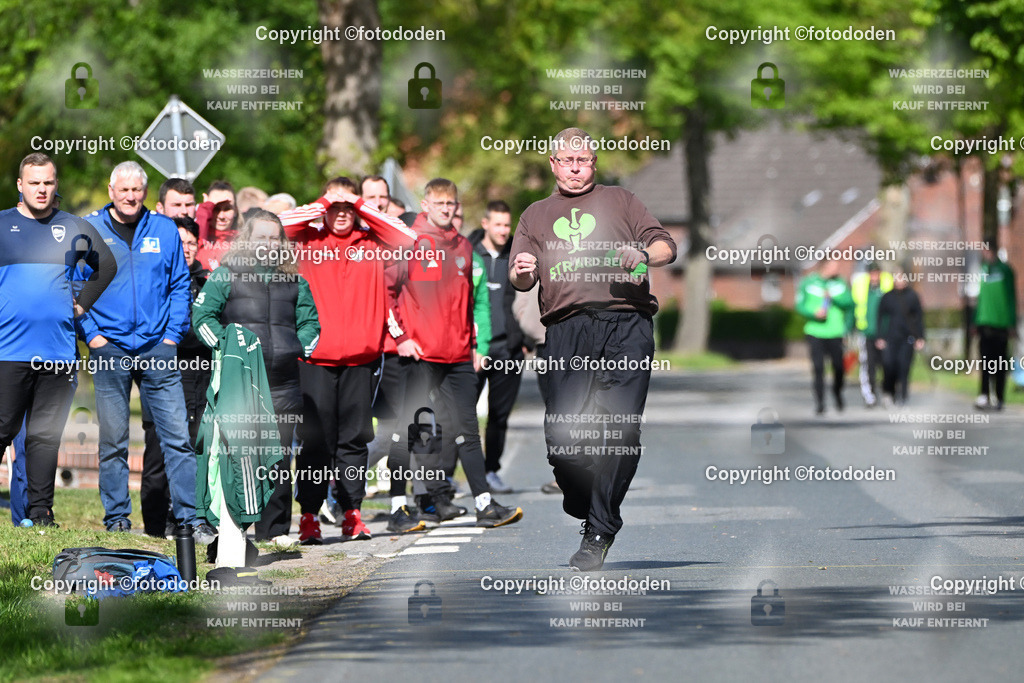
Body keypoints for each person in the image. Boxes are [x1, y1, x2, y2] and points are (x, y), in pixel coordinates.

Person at [508, 127, 676, 570]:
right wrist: (524, 270)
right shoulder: (535, 214)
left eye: (583, 160)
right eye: (567, 160)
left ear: (594, 162)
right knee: (562, 437)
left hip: (626, 325)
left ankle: (599, 529)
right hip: (566, 330)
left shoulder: (622, 201)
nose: (575, 168)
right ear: (553, 164)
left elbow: (665, 246)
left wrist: (641, 252)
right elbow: (520, 276)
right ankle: (582, 496)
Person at [77, 161, 214, 542]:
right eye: (123, 190)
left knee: (177, 439)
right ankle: (117, 519)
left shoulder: (165, 229)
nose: (130, 196)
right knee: (113, 440)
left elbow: (177, 285)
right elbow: (71, 287)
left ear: (144, 191)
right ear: (111, 191)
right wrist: (92, 335)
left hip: (157, 347)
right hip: (110, 348)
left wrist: (171, 336)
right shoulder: (89, 229)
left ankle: (189, 518)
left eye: (137, 190)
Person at [279, 177, 419, 543]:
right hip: (316, 360)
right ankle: (308, 515)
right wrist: (325, 201)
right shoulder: (308, 242)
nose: (341, 215)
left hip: (361, 360)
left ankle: (352, 513)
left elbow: (408, 239)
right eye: (334, 209)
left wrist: (357, 204)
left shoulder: (371, 242)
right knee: (315, 441)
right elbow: (276, 226)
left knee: (354, 441)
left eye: (347, 210)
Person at [386, 178, 522, 529]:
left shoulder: (464, 248)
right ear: (426, 204)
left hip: (458, 355)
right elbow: (384, 291)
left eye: (451, 204)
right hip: (419, 354)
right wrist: (400, 336)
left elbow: (477, 301)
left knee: (467, 430)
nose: (446, 209)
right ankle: (398, 509)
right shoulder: (409, 241)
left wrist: (478, 345)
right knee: (408, 429)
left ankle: (484, 505)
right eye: (439, 203)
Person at [0, 153, 117, 526]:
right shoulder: (2, 225)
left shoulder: (73, 226)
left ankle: (40, 514)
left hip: (58, 352)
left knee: (44, 438)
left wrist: (81, 305)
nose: (41, 189)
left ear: (55, 185)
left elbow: (107, 265)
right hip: (8, 352)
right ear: (21, 185)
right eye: (34, 182)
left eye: (48, 182)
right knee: (2, 429)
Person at [193, 209, 320, 546]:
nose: (268, 244)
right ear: (248, 239)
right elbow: (203, 316)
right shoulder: (226, 275)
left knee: (279, 458)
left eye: (274, 238)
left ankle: (275, 532)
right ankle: (236, 534)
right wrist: (227, 350)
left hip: (284, 384)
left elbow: (310, 324)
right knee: (240, 456)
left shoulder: (296, 281)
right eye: (261, 237)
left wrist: (301, 346)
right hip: (241, 384)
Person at [139, 215, 213, 538]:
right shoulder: (156, 278)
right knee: (158, 452)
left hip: (202, 378)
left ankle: (194, 519)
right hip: (164, 372)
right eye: (179, 242)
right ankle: (156, 527)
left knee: (196, 449)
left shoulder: (209, 282)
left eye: (191, 243)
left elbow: (211, 330)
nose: (185, 248)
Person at [469, 200, 525, 493]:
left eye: (507, 225)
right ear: (485, 223)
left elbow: (533, 298)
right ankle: (458, 474)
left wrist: (525, 339)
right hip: (474, 348)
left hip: (509, 349)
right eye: (498, 224)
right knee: (463, 413)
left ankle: (491, 471)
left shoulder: (519, 255)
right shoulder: (465, 252)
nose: (504, 230)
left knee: (499, 416)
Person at [795, 260, 854, 414]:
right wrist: (813, 314)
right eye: (834, 265)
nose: (837, 268)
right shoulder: (808, 282)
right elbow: (800, 305)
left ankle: (837, 392)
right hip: (815, 331)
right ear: (825, 266)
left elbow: (849, 303)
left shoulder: (840, 283)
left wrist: (834, 298)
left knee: (838, 367)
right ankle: (820, 402)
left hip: (835, 332)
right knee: (818, 368)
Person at [974, 246, 1017, 410]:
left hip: (1002, 324)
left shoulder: (1005, 271)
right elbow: (980, 297)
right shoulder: (983, 270)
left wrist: (1011, 323)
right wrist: (975, 320)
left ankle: (999, 397)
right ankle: (984, 394)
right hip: (985, 323)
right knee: (985, 362)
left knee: (1000, 364)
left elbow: (1011, 297)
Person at [875, 267, 925, 407]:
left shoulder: (913, 296)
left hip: (907, 338)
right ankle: (888, 392)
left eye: (902, 278)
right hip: (890, 337)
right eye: (897, 278)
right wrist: (880, 337)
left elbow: (919, 318)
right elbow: (880, 317)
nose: (900, 281)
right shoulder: (887, 297)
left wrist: (920, 337)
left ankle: (903, 396)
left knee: (904, 367)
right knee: (890, 366)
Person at [850, 263, 893, 407]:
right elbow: (853, 307)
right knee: (868, 365)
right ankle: (870, 395)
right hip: (866, 332)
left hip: (885, 333)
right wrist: (849, 329)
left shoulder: (887, 285)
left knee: (887, 364)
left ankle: (888, 393)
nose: (874, 276)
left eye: (877, 273)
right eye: (872, 273)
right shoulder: (860, 286)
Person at [195, 180, 238, 270]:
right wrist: (206, 207)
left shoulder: (243, 241)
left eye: (227, 209)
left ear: (236, 210)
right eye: (215, 208)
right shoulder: (195, 240)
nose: (221, 216)